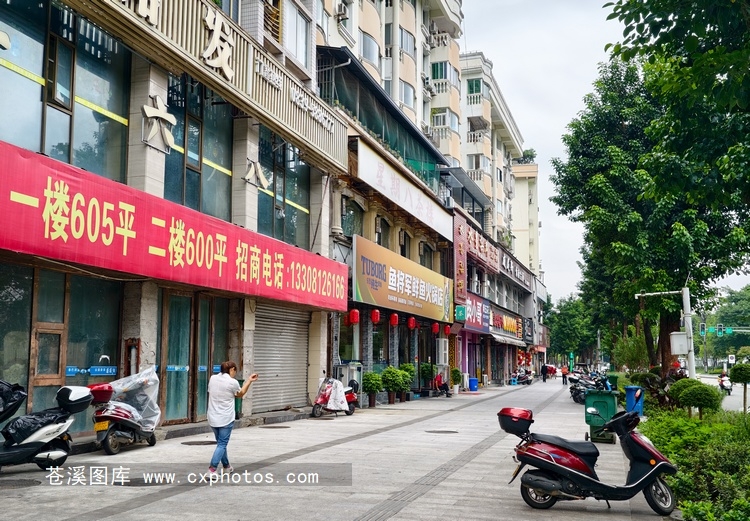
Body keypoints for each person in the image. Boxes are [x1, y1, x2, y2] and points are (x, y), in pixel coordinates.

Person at [207, 361, 258, 474]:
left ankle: (227, 466)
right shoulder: (232, 382)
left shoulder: (212, 379)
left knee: (220, 444)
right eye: (235, 370)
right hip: (225, 418)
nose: (235, 373)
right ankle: (212, 469)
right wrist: (249, 381)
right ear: (232, 370)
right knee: (222, 444)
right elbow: (240, 394)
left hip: (212, 417)